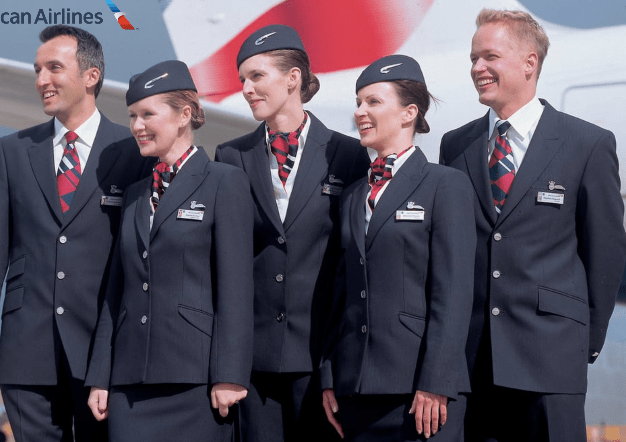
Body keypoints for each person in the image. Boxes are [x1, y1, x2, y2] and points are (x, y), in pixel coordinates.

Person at [0, 24, 152, 441]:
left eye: (54, 68)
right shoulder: (13, 150)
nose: (41, 80)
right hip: (27, 351)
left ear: (91, 76)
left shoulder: (132, 151)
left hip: (105, 351)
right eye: (37, 70)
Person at [439, 9, 626, 442]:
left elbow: (605, 252)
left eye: (489, 57)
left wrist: (583, 340)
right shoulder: (456, 145)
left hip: (551, 357)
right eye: (473, 59)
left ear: (529, 62)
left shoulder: (587, 144)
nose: (477, 69)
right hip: (471, 361)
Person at [215, 24, 370, 442]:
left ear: (293, 78)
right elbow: (226, 264)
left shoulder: (350, 155)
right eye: (242, 79)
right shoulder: (230, 157)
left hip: (321, 358)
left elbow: (351, 265)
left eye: (256, 76)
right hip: (253, 361)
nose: (246, 88)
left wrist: (339, 361)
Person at [84, 60, 254, 441]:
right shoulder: (134, 194)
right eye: (132, 116)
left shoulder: (224, 182)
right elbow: (116, 293)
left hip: (194, 380)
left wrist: (229, 374)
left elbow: (236, 288)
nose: (137, 126)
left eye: (147, 114)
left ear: (184, 115)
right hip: (129, 383)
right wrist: (100, 376)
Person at [320, 55, 475, 441]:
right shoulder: (354, 194)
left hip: (421, 393)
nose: (360, 112)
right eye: (358, 102)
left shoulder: (445, 185)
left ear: (409, 113)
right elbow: (339, 294)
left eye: (373, 102)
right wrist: (328, 375)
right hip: (354, 390)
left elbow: (453, 293)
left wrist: (436, 381)